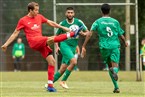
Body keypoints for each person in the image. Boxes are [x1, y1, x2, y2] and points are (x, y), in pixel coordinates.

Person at [1, 2, 83, 92]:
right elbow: (15, 33)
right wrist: (6, 44)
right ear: (30, 10)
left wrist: (64, 28)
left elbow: (51, 23)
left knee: (52, 62)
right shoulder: (23, 20)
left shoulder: (39, 16)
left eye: (38, 10)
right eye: (35, 10)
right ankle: (72, 34)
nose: (37, 11)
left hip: (41, 42)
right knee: (51, 39)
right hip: (34, 42)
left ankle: (50, 86)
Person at [81, 3, 128, 93]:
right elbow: (121, 35)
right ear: (109, 11)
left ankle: (116, 87)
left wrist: (83, 45)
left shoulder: (97, 22)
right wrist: (125, 42)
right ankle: (115, 72)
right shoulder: (115, 22)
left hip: (104, 47)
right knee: (115, 66)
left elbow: (90, 34)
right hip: (114, 46)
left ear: (101, 11)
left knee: (110, 66)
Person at [53, 7, 88, 89]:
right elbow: (56, 37)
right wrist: (57, 46)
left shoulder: (79, 22)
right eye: (68, 12)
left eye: (71, 12)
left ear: (74, 14)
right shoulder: (62, 23)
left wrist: (81, 33)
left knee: (62, 69)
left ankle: (49, 84)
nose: (70, 14)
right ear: (66, 14)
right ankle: (63, 81)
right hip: (64, 45)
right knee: (74, 62)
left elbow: (87, 33)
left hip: (73, 47)